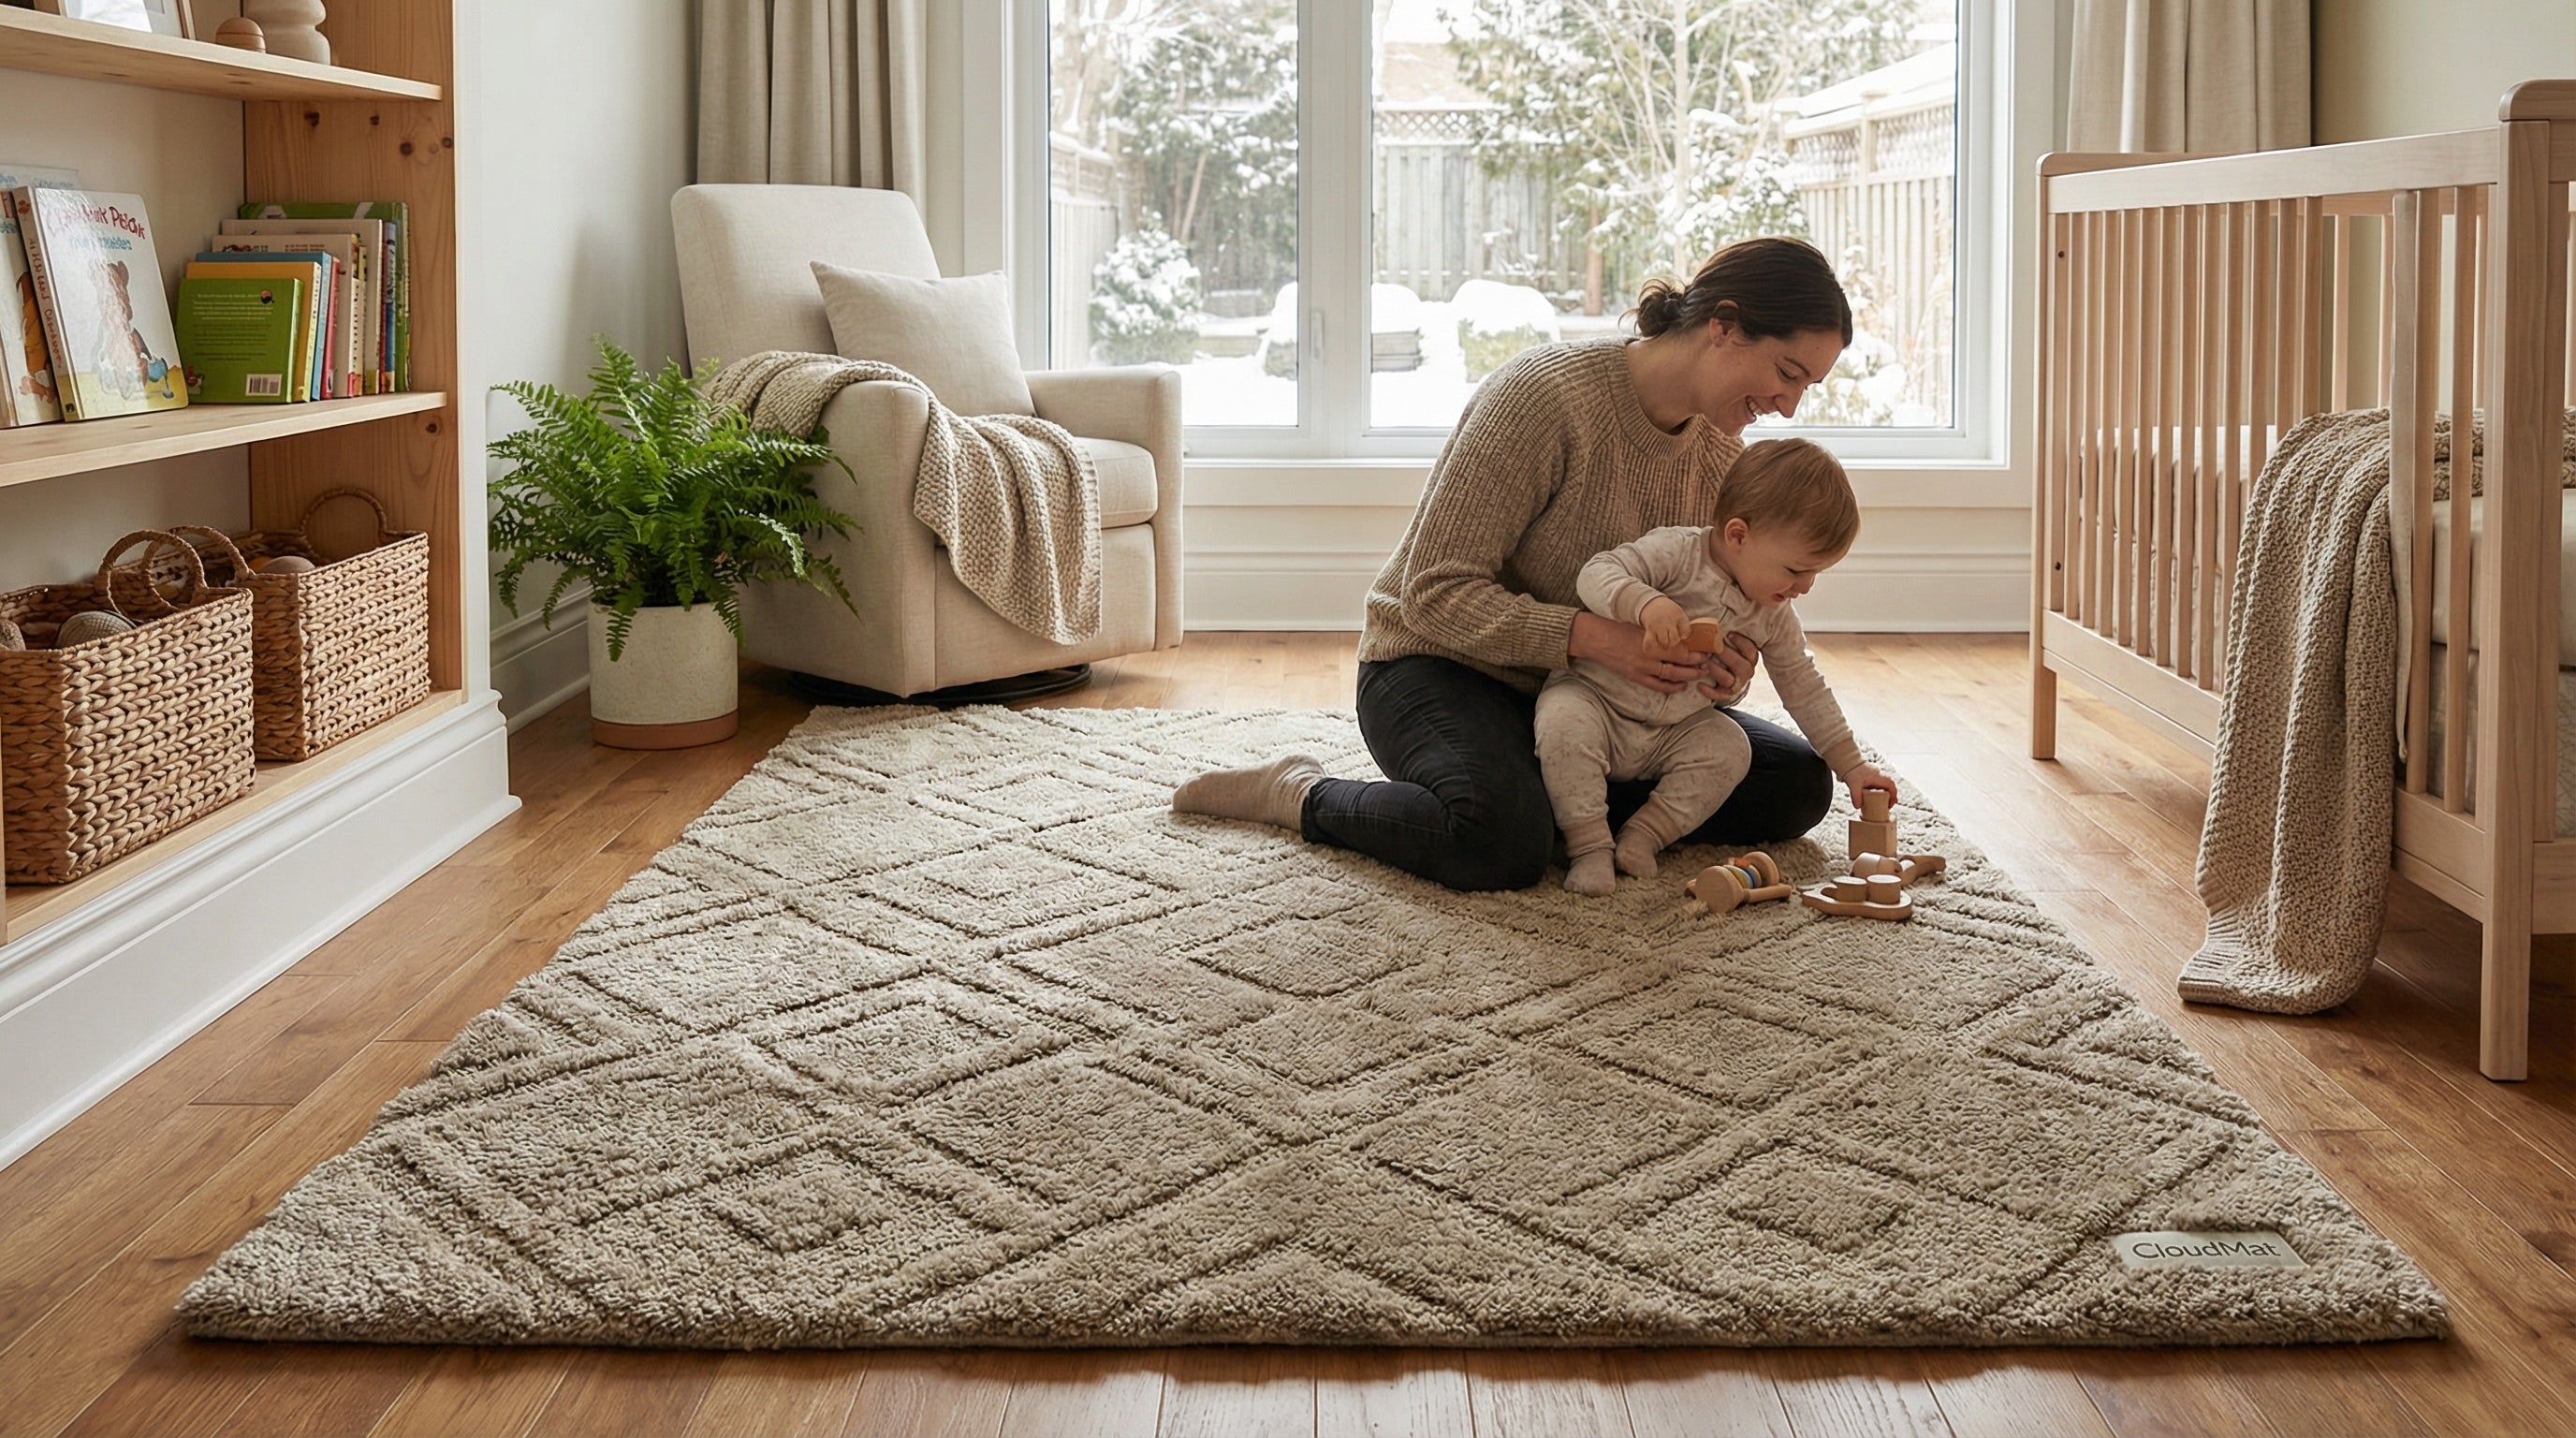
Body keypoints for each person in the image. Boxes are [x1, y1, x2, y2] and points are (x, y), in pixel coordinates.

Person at [1173, 236, 1853, 891]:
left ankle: (1555, 802)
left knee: (1795, 785)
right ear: (1724, 327)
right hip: (1440, 665)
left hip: (1597, 699)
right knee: (1498, 839)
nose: (1788, 406)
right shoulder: (1545, 397)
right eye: (1787, 373)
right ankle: (1301, 792)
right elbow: (1433, 593)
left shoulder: (1726, 465)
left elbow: (1706, 619)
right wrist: (1596, 638)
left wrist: (1721, 675)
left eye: (1807, 387)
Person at [1539, 437, 1893, 896]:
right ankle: (1588, 847)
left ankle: (1645, 834)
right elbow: (1597, 573)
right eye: (1795, 570)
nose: (1805, 586)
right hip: (1598, 701)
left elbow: (1804, 686)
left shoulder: (1773, 612)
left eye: (1815, 574)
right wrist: (1645, 604)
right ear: (1738, 536)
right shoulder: (1676, 553)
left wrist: (1853, 767)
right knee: (1563, 722)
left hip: (1673, 731)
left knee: (1729, 747)